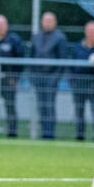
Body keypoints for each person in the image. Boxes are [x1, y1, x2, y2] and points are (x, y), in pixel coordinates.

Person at [29, 11, 67, 140]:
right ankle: (43, 132)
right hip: (38, 77)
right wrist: (32, 76)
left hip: (51, 78)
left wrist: (55, 78)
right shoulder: (36, 36)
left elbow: (62, 60)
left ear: (55, 22)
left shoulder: (60, 38)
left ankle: (49, 133)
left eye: (50, 21)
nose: (47, 23)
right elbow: (31, 56)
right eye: (45, 20)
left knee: (49, 106)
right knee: (41, 106)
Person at [70, 20, 94, 141]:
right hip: (78, 83)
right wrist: (72, 80)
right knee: (79, 111)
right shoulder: (78, 46)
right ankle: (80, 135)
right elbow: (72, 65)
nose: (91, 33)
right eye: (89, 31)